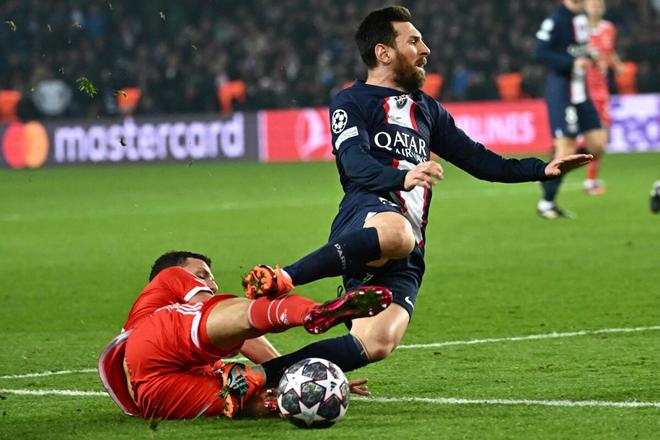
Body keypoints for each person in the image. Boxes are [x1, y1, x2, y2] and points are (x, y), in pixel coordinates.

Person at [241, 6, 593, 386]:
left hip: (410, 248)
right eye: (414, 41)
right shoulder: (351, 102)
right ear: (384, 52)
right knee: (397, 233)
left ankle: (258, 377)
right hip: (365, 217)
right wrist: (405, 175)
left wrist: (541, 169)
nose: (426, 49)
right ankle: (282, 279)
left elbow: (480, 160)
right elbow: (355, 164)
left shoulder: (428, 110)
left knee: (377, 341)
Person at [98, 251, 391, 420]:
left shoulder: (190, 323)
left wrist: (310, 381)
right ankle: (312, 312)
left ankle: (307, 398)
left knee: (258, 400)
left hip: (152, 398)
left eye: (212, 277)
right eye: (202, 274)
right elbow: (227, 316)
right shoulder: (169, 280)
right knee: (245, 312)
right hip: (148, 345)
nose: (211, 283)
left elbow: (244, 335)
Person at [534, 0, 608, 218]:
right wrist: (571, 62)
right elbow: (539, 52)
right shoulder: (556, 19)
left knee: (598, 145)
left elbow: (579, 50)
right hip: (562, 92)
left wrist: (590, 57)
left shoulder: (583, 18)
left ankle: (549, 167)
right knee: (566, 148)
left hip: (581, 93)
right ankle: (546, 203)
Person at [582, 0, 624, 194]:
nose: (596, 9)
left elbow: (609, 53)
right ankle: (552, 168)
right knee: (572, 138)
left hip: (600, 91)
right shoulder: (578, 28)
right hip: (580, 89)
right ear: (586, 7)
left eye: (599, 5)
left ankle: (591, 181)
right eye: (592, 5)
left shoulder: (609, 28)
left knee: (602, 138)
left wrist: (617, 64)